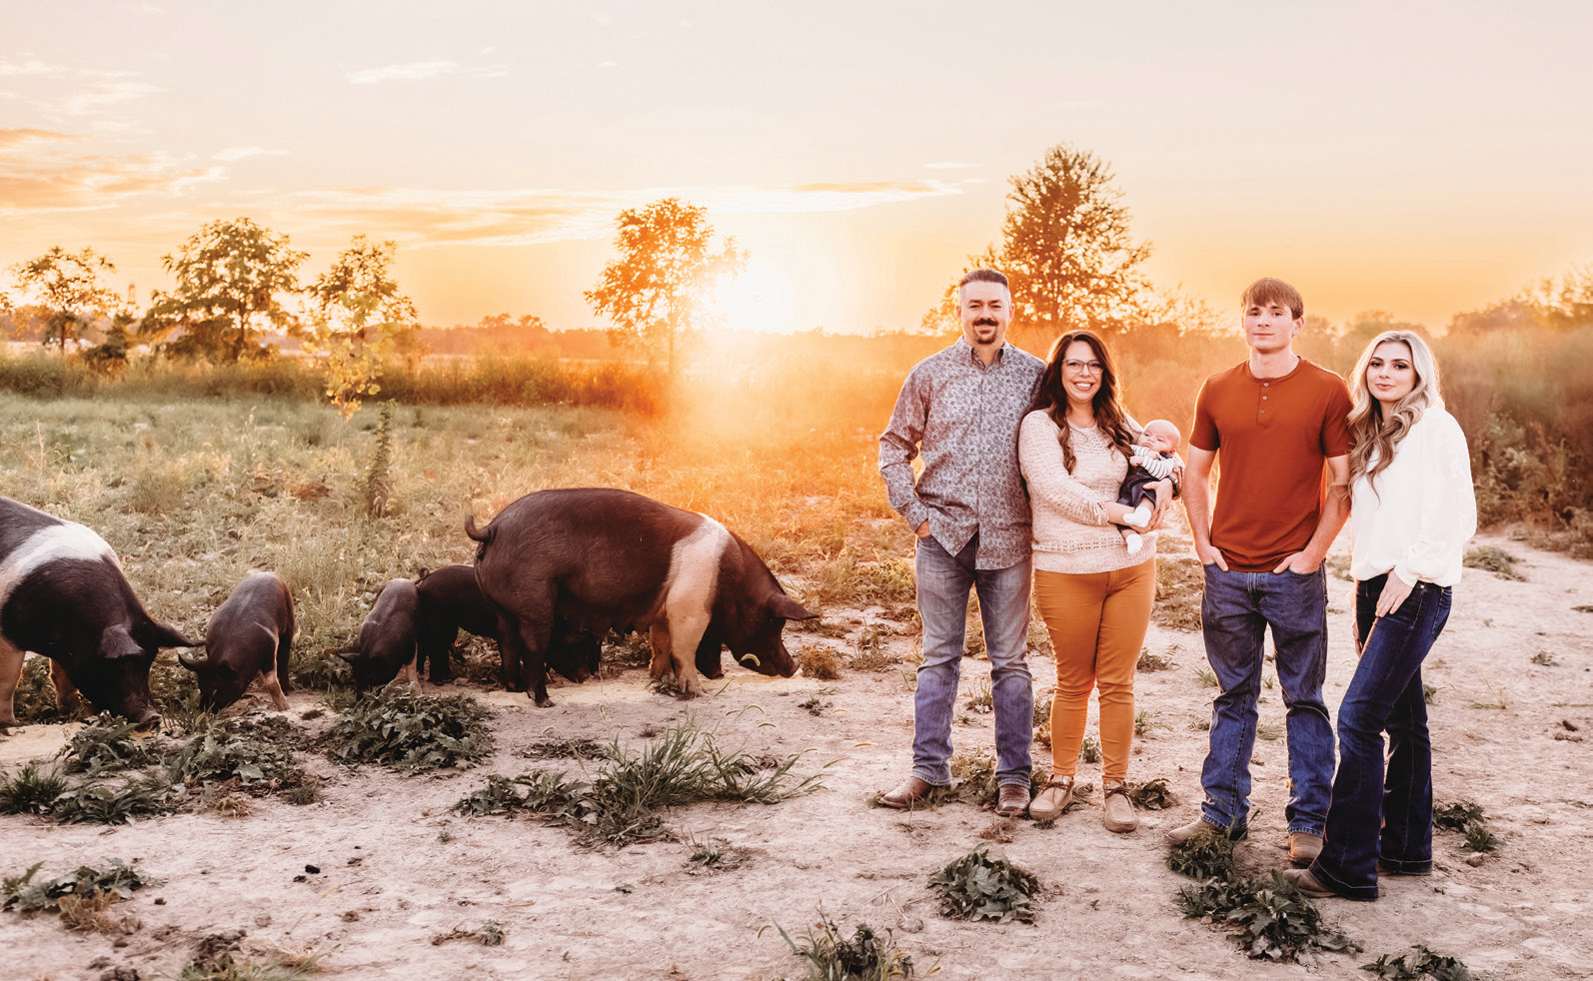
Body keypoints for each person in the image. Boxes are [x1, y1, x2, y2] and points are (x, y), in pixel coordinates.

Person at [1284, 331, 1476, 900]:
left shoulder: (1436, 427)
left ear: (1420, 374)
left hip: (1414, 589)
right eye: (1378, 363)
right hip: (1378, 587)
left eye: (1401, 364)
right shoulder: (1369, 432)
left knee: (1359, 719)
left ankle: (1346, 865)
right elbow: (1372, 522)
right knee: (1405, 723)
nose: (1386, 372)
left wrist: (1407, 572)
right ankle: (1407, 849)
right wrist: (1359, 589)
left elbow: (1457, 515)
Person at [1168, 278, 1353, 868]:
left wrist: (1313, 555)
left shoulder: (1328, 390)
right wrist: (1202, 542)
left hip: (1293, 575)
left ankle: (1308, 824)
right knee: (1233, 697)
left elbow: (1342, 484)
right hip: (1227, 572)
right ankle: (1221, 815)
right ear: (1242, 321)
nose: (1264, 321)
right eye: (1254, 312)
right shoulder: (1217, 388)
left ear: (1298, 323)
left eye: (1277, 313)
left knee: (1304, 699)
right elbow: (1194, 475)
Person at [877, 268, 1045, 817]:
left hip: (1009, 539)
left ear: (1010, 311)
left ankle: (1014, 779)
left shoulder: (1036, 376)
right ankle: (929, 771)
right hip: (941, 538)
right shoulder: (929, 374)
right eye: (974, 306)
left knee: (1011, 663)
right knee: (938, 658)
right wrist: (917, 516)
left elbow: (1092, 419)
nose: (985, 315)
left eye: (995, 305)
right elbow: (893, 445)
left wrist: (1157, 454)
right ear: (959, 313)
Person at [1019, 331, 1172, 831]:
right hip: (1066, 570)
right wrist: (1117, 513)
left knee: (1118, 683)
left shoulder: (1118, 422)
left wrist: (1166, 486)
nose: (1084, 373)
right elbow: (1054, 490)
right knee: (1072, 682)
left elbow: (1163, 456)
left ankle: (1115, 787)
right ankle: (1061, 780)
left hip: (1132, 570)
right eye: (1073, 365)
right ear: (1058, 372)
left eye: (1093, 366)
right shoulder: (1039, 426)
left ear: (1104, 374)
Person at [1116, 419, 1183, 556]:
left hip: (1147, 486)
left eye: (1159, 440)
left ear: (1171, 451)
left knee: (1148, 496)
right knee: (1122, 513)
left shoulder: (1166, 460)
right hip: (1128, 489)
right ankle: (1131, 538)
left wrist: (1144, 461)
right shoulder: (1134, 448)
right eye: (1146, 435)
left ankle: (1142, 515)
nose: (1150, 440)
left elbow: (1161, 471)